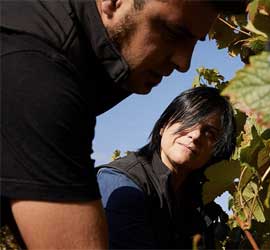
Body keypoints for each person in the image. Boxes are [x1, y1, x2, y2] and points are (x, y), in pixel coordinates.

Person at [0, 0, 245, 248]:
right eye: (173, 31)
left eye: (194, 42)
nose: (184, 62)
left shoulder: (86, 60)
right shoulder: (37, 74)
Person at [96, 86, 236, 248]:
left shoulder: (196, 198)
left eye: (209, 133)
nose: (195, 135)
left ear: (216, 151)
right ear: (163, 125)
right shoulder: (122, 182)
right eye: (188, 121)